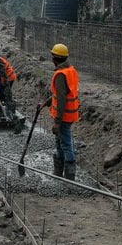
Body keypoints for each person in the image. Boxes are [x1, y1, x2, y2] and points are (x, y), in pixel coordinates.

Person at [46, 42, 79, 180]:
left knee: (65, 143)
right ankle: (59, 173)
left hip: (63, 116)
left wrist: (57, 122)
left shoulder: (60, 75)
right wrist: (45, 103)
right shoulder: (70, 70)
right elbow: (60, 95)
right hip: (69, 114)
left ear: (54, 58)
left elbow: (61, 99)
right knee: (59, 141)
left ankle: (70, 177)